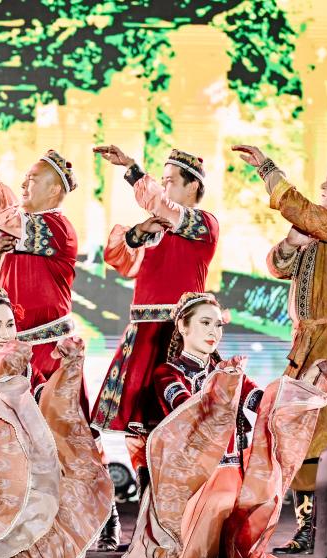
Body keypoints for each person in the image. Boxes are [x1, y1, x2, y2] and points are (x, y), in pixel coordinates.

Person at [118, 293, 327, 558]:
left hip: (230, 477)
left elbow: (265, 403)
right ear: (182, 326)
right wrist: (226, 383)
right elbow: (190, 410)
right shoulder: (168, 372)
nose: (213, 332)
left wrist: (311, 383)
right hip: (192, 480)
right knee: (191, 547)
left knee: (248, 510)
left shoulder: (229, 373)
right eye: (205, 323)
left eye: (218, 325)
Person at [232, 144, 327, 554]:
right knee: (306, 428)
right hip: (309, 342)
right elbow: (277, 266)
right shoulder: (321, 229)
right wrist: (291, 240)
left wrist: (269, 170)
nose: (323, 184)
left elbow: (305, 213)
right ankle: (311, 525)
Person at [0, 288, 113, 558]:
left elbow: (48, 402)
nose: (5, 333)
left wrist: (68, 369)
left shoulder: (26, 369)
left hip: (22, 454)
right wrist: (0, 375)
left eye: (9, 324)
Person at [89, 145, 218, 489]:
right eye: (162, 181)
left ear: (192, 186)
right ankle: (147, 494)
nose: (163, 187)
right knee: (139, 423)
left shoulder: (203, 224)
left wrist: (132, 169)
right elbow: (119, 258)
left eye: (170, 181)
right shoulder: (157, 230)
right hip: (144, 335)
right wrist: (138, 232)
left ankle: (180, 499)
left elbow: (162, 205)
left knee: (177, 417)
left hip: (178, 336)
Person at [0, 146, 79, 379]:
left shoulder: (57, 228)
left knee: (45, 400)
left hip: (46, 350)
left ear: (54, 189)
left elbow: (6, 217)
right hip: (10, 349)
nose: (23, 185)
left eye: (31, 180)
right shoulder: (23, 232)